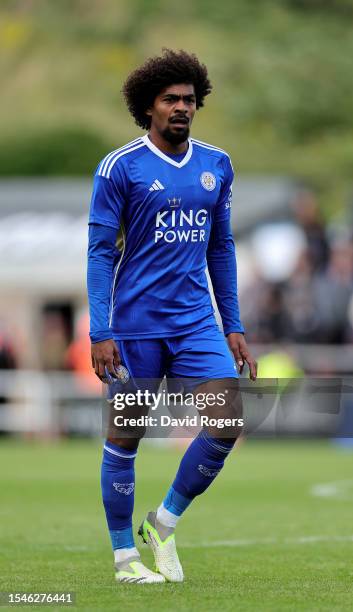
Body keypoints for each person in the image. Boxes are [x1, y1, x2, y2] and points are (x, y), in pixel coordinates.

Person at [87, 49, 257, 585]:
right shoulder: (120, 168)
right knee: (126, 439)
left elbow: (221, 249)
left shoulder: (217, 165)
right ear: (148, 107)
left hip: (195, 323)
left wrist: (233, 325)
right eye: (170, 100)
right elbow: (99, 251)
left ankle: (162, 522)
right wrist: (100, 329)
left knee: (227, 420)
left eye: (189, 99)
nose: (182, 107)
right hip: (135, 327)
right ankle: (123, 559)